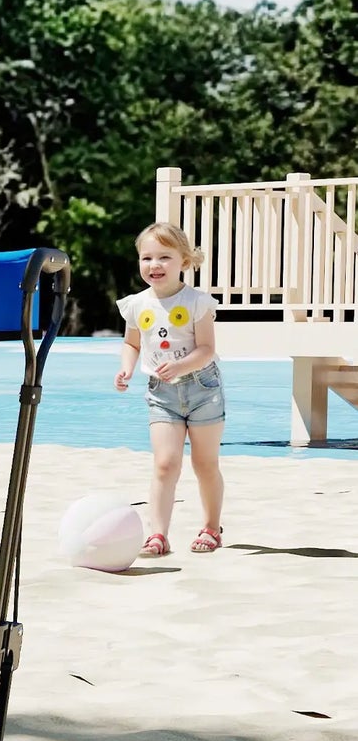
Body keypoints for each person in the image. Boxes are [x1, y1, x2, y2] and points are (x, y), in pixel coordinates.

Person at [113, 222, 225, 556]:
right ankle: (157, 535)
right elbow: (131, 343)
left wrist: (181, 365)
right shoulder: (136, 304)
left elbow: (206, 348)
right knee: (165, 463)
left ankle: (211, 527)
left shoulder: (197, 302)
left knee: (205, 463)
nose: (154, 265)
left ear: (184, 261)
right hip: (161, 394)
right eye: (147, 258)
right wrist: (126, 367)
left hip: (203, 388)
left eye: (164, 257)